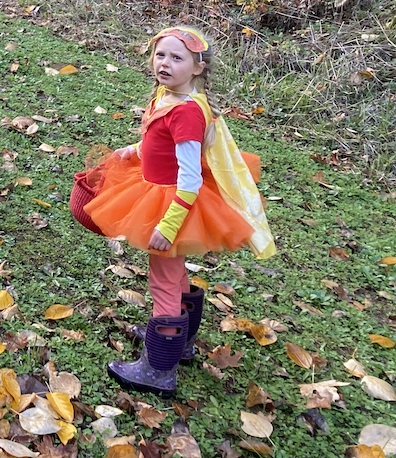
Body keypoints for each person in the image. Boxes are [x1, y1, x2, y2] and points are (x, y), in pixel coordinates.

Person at [84, 26, 276, 397]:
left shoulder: (187, 113)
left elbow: (189, 179)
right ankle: (181, 342)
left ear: (198, 67)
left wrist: (169, 226)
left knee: (164, 280)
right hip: (157, 191)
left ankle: (158, 368)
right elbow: (159, 143)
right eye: (160, 55)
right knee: (174, 274)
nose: (165, 63)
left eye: (177, 58)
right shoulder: (169, 95)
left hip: (172, 204)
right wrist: (134, 151)